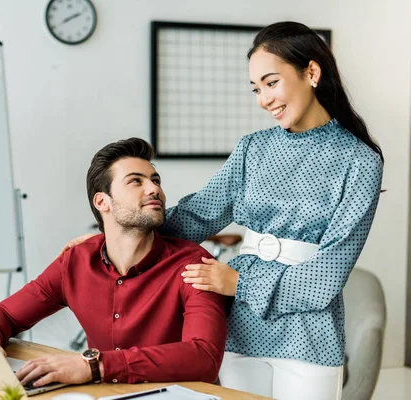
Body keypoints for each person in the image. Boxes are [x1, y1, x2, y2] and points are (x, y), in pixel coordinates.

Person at [60, 22, 383, 399]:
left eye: (271, 82)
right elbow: (196, 216)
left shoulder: (360, 161)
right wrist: (112, 239)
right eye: (256, 88)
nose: (264, 99)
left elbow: (329, 272)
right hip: (240, 325)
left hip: (309, 330)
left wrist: (240, 283)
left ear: (311, 72)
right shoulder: (253, 149)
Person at [0, 138, 227, 388]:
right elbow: (6, 314)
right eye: (135, 181)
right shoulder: (76, 261)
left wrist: (96, 366)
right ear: (102, 202)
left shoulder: (193, 264)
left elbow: (204, 357)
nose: (154, 189)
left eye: (156, 180)